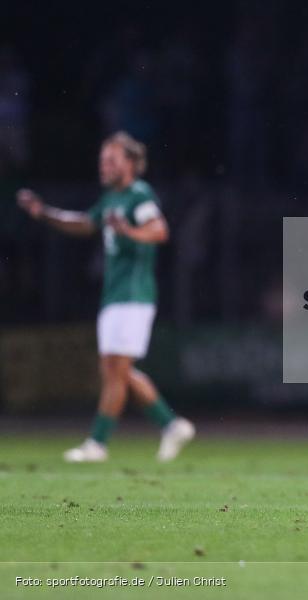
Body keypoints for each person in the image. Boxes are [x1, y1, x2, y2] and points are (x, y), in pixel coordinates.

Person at [17, 131, 195, 463]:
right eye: (102, 160)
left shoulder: (138, 195)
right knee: (117, 369)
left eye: (111, 160)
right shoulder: (111, 198)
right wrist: (45, 213)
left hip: (133, 293)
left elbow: (159, 230)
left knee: (115, 368)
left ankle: (97, 443)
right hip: (115, 294)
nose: (104, 166)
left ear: (130, 164)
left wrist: (128, 231)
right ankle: (171, 425)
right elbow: (85, 223)